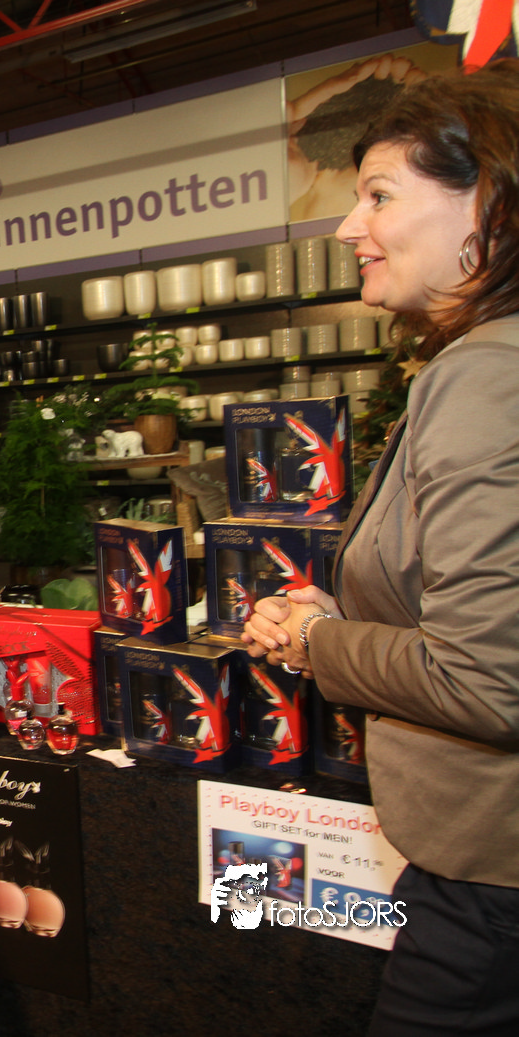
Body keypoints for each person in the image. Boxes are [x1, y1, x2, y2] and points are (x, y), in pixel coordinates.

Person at [244, 60, 519, 1036]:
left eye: (378, 195)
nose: (345, 226)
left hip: (489, 883)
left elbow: (487, 681)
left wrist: (315, 639)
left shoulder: (484, 376)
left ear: (487, 204)